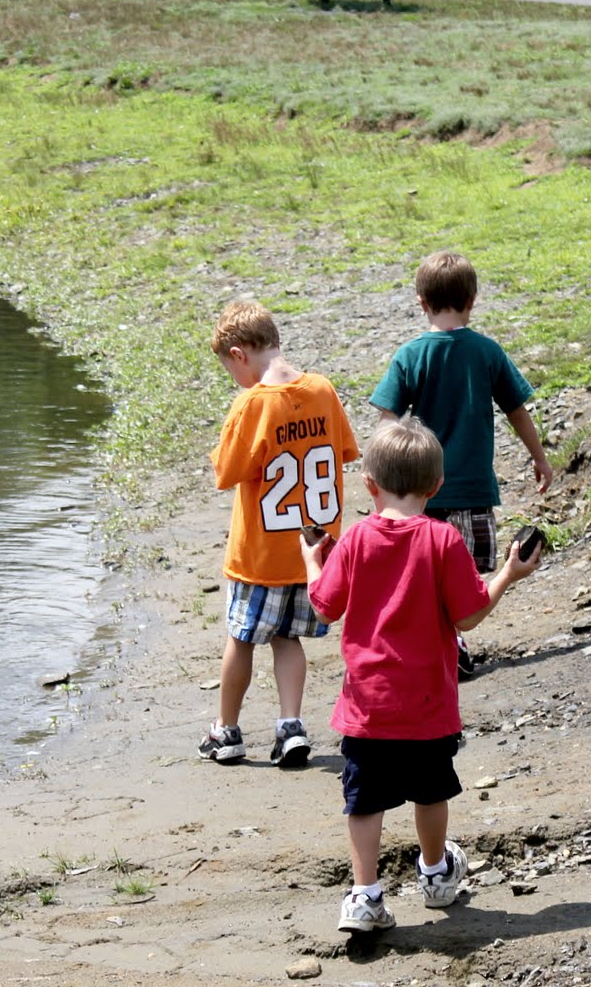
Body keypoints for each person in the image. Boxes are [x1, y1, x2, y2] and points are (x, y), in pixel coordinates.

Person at [303, 416, 541, 933]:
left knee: (363, 801)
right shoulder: (443, 539)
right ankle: (434, 873)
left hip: (368, 706)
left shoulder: (355, 540)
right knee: (431, 792)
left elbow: (323, 608)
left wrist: (311, 562)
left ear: (369, 485)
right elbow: (469, 615)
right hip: (429, 704)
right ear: (436, 486)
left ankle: (364, 895)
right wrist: (508, 573)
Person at [369, 251, 552, 680]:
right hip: (471, 489)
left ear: (421, 303)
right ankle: (450, 643)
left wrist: (382, 476)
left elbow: (387, 420)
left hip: (419, 492)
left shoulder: (410, 356)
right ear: (472, 300)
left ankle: (439, 645)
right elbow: (516, 409)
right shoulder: (486, 351)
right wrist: (539, 457)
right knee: (459, 578)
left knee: (424, 574)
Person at [201, 300, 360, 768]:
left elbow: (226, 472)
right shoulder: (323, 389)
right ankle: (291, 726)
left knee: (241, 638)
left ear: (239, 354)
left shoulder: (252, 403)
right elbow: (344, 451)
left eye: (230, 369)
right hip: (313, 550)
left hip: (261, 556)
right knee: (288, 639)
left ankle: (227, 731)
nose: (235, 378)